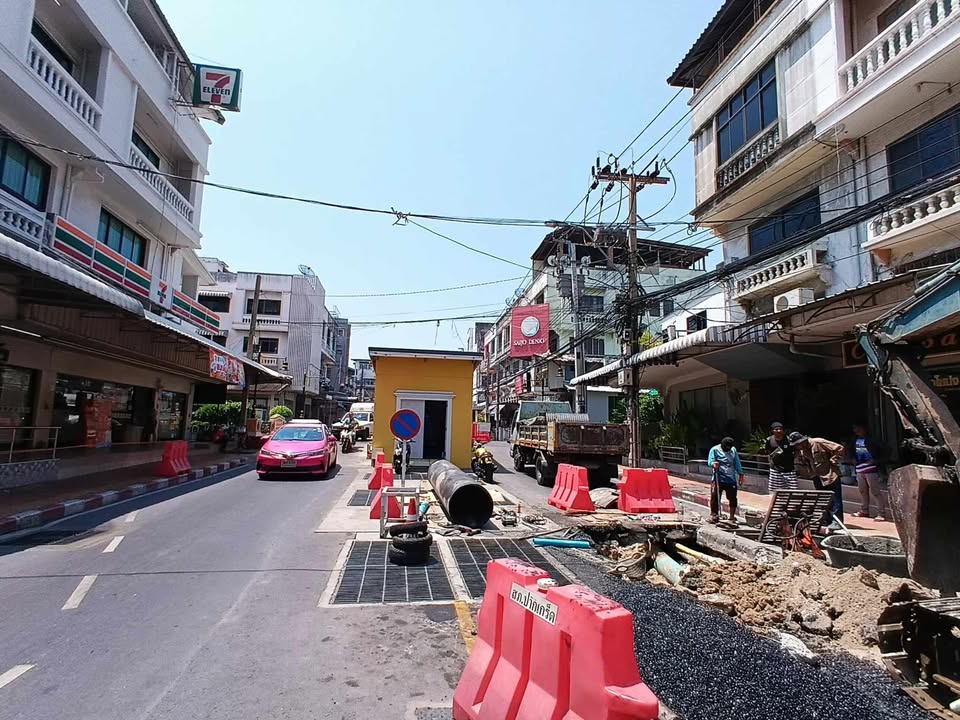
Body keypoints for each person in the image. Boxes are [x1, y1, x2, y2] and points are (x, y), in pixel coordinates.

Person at [790, 432, 845, 530]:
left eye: (799, 444)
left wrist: (834, 460)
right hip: (817, 477)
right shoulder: (802, 451)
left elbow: (839, 448)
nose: (799, 446)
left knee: (835, 499)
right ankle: (827, 520)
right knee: (823, 500)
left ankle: (837, 522)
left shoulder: (818, 442)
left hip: (830, 475)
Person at [845, 422, 889, 521]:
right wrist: (853, 459)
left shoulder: (873, 440)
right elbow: (852, 451)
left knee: (875, 491)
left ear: (864, 428)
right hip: (859, 468)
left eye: (858, 428)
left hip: (871, 469)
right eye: (855, 428)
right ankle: (864, 510)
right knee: (862, 491)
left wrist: (877, 460)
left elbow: (886, 450)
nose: (856, 430)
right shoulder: (855, 440)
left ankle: (881, 513)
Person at [707, 436, 744, 524]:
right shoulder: (715, 450)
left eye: (729, 448)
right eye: (726, 448)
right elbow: (710, 461)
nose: (728, 449)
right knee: (715, 497)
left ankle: (732, 516)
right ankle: (714, 515)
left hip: (730, 479)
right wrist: (713, 464)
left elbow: (737, 462)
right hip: (718, 478)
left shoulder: (733, 450)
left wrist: (741, 474)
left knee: (733, 498)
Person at [766, 421, 798, 491]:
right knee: (775, 492)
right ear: (772, 430)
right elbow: (768, 453)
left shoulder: (789, 440)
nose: (779, 431)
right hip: (775, 470)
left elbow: (796, 452)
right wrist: (771, 464)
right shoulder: (769, 440)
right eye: (776, 429)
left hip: (789, 470)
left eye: (780, 429)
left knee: (793, 491)